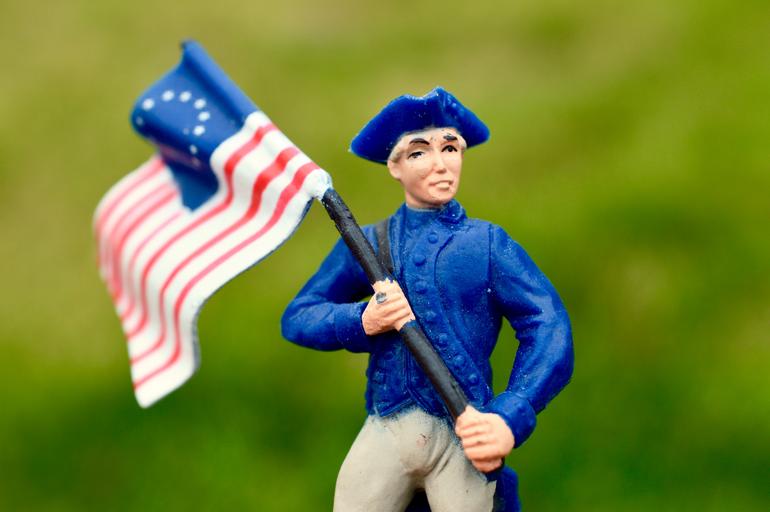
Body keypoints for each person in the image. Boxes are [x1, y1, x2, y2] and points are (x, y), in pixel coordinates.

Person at [282, 87, 574, 512]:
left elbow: (548, 326)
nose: (440, 164)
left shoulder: (487, 244)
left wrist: (509, 415)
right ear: (395, 166)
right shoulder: (369, 243)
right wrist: (363, 320)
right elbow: (298, 317)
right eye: (420, 152)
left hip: (463, 426)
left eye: (450, 148)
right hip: (387, 424)